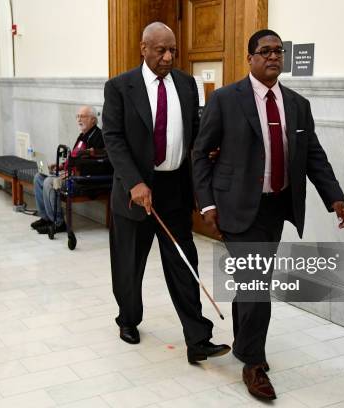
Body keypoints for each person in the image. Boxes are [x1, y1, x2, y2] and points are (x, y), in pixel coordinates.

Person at [192, 29, 344, 400]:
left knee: (252, 280)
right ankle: (253, 363)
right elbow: (201, 153)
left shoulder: (297, 104)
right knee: (256, 282)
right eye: (265, 51)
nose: (273, 57)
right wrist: (208, 203)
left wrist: (334, 197)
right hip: (235, 205)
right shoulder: (226, 100)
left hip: (275, 207)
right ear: (250, 59)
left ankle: (245, 341)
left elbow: (312, 154)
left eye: (279, 51)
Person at [102, 22, 229, 363]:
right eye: (161, 50)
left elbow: (196, 129)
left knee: (184, 262)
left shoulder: (187, 85)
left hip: (173, 188)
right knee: (130, 264)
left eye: (172, 49)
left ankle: (198, 339)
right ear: (143, 48)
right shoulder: (119, 87)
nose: (169, 56)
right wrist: (134, 182)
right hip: (135, 192)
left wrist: (211, 148)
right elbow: (112, 138)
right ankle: (128, 318)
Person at [30, 105, 105, 235]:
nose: (79, 119)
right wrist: (58, 166)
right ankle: (46, 218)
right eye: (78, 116)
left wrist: (72, 173)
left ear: (93, 120)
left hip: (84, 180)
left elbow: (97, 164)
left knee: (49, 182)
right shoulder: (82, 136)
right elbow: (73, 157)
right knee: (38, 177)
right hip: (71, 174)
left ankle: (58, 223)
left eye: (83, 116)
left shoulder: (99, 137)